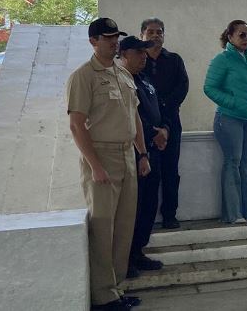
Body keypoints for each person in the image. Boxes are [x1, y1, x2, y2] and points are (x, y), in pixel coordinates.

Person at [66, 18, 150, 311]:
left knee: (124, 226)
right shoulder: (84, 76)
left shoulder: (122, 73)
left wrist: (142, 154)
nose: (114, 42)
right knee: (103, 228)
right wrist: (95, 166)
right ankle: (102, 296)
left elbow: (134, 117)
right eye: (107, 37)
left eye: (116, 37)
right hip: (101, 157)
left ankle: (115, 287)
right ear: (93, 41)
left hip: (127, 155)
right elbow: (77, 126)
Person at [204, 20, 247, 223]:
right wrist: (233, 102)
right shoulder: (222, 59)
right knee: (233, 163)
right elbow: (210, 88)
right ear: (229, 36)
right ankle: (233, 214)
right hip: (229, 118)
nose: (246, 39)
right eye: (242, 35)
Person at [118, 36, 167, 279]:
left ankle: (138, 251)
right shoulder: (121, 81)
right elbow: (130, 117)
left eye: (145, 53)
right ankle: (125, 258)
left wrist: (164, 129)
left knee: (149, 204)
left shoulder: (145, 80)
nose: (144, 57)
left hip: (154, 149)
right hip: (138, 151)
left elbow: (158, 109)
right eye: (139, 53)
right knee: (133, 208)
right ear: (125, 54)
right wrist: (151, 135)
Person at [141, 18, 189, 229]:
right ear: (142, 34)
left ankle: (170, 214)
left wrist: (165, 119)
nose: (155, 35)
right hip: (146, 126)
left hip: (171, 122)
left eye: (159, 32)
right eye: (150, 32)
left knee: (171, 171)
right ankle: (145, 218)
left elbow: (182, 88)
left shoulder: (174, 60)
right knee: (150, 172)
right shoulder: (138, 61)